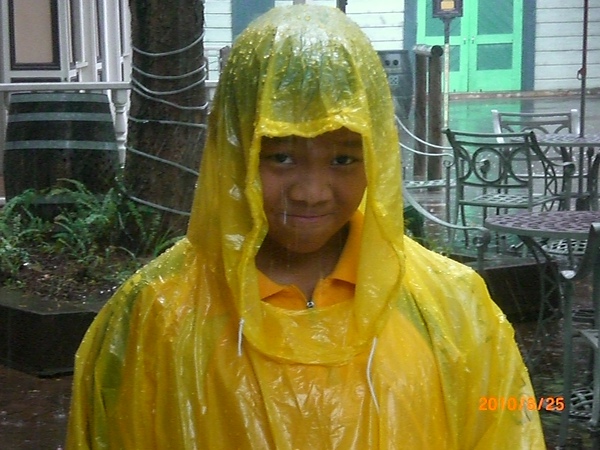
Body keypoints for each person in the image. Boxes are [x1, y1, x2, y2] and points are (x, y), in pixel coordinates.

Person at [67, 5, 544, 449]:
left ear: (377, 154)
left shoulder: (451, 306)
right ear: (233, 150)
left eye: (342, 158)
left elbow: (501, 418)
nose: (312, 191)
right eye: (280, 156)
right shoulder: (157, 312)